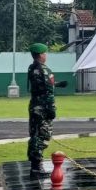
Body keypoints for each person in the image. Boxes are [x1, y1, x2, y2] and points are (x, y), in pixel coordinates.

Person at [27, 43, 67, 178]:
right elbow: (48, 92)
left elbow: (41, 85)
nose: (46, 55)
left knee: (35, 135)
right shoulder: (45, 70)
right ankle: (37, 168)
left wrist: (57, 84)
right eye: (45, 53)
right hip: (43, 108)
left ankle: (35, 166)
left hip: (34, 106)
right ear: (41, 55)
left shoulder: (32, 68)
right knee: (43, 136)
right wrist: (52, 108)